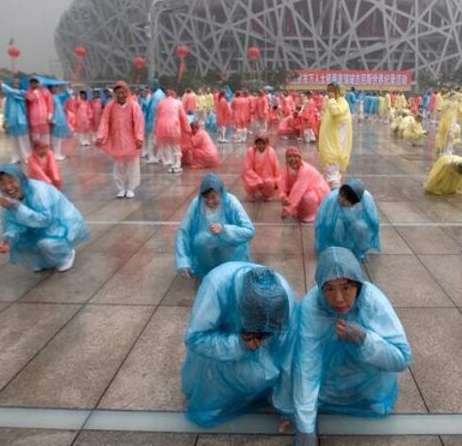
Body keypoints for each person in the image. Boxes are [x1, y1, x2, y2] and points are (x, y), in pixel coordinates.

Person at [292, 247, 411, 445]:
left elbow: (401, 359)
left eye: (346, 287)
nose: (338, 299)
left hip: (369, 388)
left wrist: (365, 339)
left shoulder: (373, 301)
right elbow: (306, 366)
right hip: (329, 388)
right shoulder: (312, 307)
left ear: (358, 285)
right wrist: (305, 428)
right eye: (329, 289)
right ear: (321, 287)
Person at [181, 262, 297, 428]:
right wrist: (238, 344)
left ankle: (255, 392)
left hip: (248, 343)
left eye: (268, 332)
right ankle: (211, 399)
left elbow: (288, 356)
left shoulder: (283, 296)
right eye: (258, 330)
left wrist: (287, 409)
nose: (262, 337)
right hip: (218, 349)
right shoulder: (216, 285)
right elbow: (196, 338)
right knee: (216, 375)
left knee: (263, 372)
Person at [0, 163, 89, 272]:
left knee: (47, 244)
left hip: (59, 225)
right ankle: (44, 260)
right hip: (38, 228)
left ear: (20, 178)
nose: (8, 187)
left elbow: (46, 220)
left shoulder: (38, 191)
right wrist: (8, 239)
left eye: (11, 181)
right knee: (20, 244)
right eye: (2, 183)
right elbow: (11, 224)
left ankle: (66, 254)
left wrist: (17, 207)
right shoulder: (9, 200)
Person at [175, 173, 255, 280]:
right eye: (206, 197)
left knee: (227, 273)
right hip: (206, 252)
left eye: (214, 197)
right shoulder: (197, 204)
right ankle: (208, 272)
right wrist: (183, 261)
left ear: (221, 193)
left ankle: (227, 271)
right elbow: (183, 231)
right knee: (200, 240)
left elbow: (249, 230)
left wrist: (225, 230)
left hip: (230, 250)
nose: (210, 201)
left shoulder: (231, 202)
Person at [96, 82, 144, 198]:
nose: (121, 95)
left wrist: (139, 138)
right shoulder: (110, 106)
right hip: (116, 139)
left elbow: (139, 123)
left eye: (123, 92)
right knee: (119, 165)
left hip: (131, 140)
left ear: (127, 93)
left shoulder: (134, 106)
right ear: (115, 94)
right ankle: (121, 187)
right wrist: (100, 136)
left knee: (132, 164)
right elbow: (104, 122)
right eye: (118, 93)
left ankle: (131, 187)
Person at [314, 178, 380, 260]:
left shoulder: (366, 199)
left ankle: (356, 250)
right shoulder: (331, 199)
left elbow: (373, 222)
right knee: (337, 225)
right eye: (341, 196)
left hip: (354, 228)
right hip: (337, 230)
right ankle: (337, 249)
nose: (341, 200)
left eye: (345, 200)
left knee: (361, 226)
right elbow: (323, 224)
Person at [280, 147, 330, 223]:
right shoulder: (288, 169)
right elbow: (283, 182)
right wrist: (283, 196)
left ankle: (312, 214)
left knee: (307, 197)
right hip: (306, 191)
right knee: (294, 194)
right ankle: (301, 211)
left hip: (319, 196)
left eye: (295, 156)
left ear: (300, 158)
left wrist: (287, 209)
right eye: (289, 157)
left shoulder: (305, 170)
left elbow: (298, 189)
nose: (292, 159)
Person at [318, 82, 353, 188]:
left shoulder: (341, 102)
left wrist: (332, 100)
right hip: (330, 144)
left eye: (332, 91)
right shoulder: (335, 102)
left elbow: (336, 112)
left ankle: (335, 196)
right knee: (331, 174)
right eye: (328, 91)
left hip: (335, 147)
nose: (329, 93)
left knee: (333, 176)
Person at [155, 90, 192, 173]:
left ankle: (169, 161)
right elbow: (183, 117)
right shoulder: (178, 103)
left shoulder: (161, 103)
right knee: (176, 146)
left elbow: (157, 117)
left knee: (166, 145)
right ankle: (177, 165)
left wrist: (155, 130)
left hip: (161, 127)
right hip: (173, 127)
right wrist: (188, 129)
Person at [241, 132, 281, 200]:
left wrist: (276, 180)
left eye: (263, 143)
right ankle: (252, 193)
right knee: (250, 182)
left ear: (267, 144)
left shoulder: (271, 152)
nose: (261, 146)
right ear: (255, 143)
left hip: (267, 177)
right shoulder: (250, 151)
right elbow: (247, 168)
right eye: (259, 143)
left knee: (269, 183)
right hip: (253, 176)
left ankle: (267, 194)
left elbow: (276, 167)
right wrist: (257, 178)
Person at [1, 80, 31, 163]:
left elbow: (15, 92)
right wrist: (5, 119)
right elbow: (6, 109)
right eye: (14, 84)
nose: (15, 85)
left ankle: (27, 156)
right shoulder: (9, 97)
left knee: (23, 139)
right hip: (12, 119)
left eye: (17, 84)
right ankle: (15, 157)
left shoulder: (22, 93)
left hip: (22, 120)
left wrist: (3, 85)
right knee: (14, 140)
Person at [25, 78, 54, 144]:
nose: (33, 84)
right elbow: (29, 99)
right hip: (34, 118)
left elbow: (50, 103)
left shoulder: (45, 91)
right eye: (32, 83)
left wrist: (50, 114)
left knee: (46, 137)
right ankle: (37, 152)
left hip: (44, 118)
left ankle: (46, 152)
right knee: (36, 137)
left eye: (35, 82)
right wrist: (35, 93)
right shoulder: (28, 91)